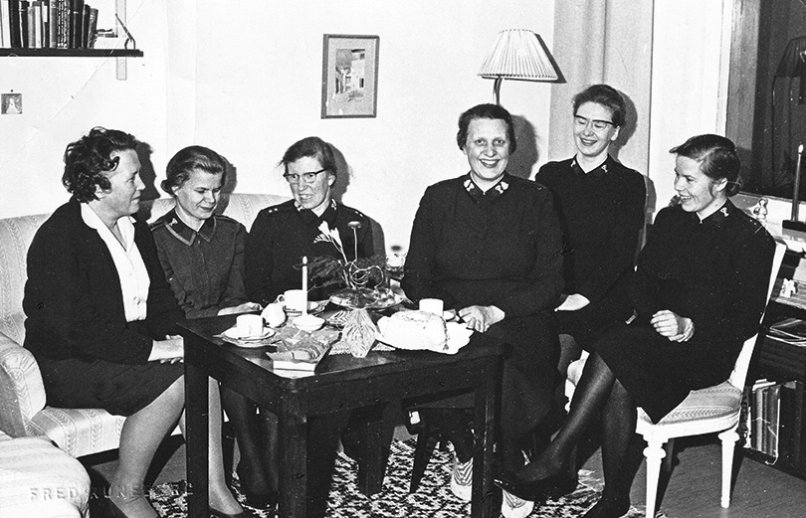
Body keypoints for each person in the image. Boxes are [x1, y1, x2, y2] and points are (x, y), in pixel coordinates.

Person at [495, 134, 776, 518]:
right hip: (653, 338)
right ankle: (611, 497)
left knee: (615, 347)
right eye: (677, 175)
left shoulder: (750, 238)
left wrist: (690, 325)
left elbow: (744, 318)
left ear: (721, 183)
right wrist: (658, 314)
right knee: (620, 366)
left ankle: (557, 457)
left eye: (689, 179)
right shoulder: (672, 219)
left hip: (704, 349)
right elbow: (641, 283)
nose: (677, 186)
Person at [23, 128, 255, 518]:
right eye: (132, 178)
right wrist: (155, 350)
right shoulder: (61, 237)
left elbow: (161, 304)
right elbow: (76, 330)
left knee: (201, 365)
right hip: (68, 362)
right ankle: (126, 492)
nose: (144, 185)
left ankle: (214, 488)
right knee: (180, 378)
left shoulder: (135, 227)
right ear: (98, 186)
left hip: (123, 347)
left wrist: (183, 338)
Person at [402, 103, 564, 518]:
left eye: (499, 142)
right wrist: (447, 312)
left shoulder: (536, 199)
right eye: (479, 142)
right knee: (413, 357)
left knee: (503, 358)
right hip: (451, 316)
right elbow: (415, 276)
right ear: (464, 146)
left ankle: (509, 462)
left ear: (512, 147)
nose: (489, 152)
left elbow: (551, 283)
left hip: (517, 317)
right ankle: (466, 449)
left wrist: (495, 311)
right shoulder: (439, 198)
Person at [150, 146, 274, 508]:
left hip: (229, 333)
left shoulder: (233, 233)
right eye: (201, 190)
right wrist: (224, 312)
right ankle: (251, 466)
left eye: (217, 190)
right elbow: (171, 313)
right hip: (180, 338)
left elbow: (239, 297)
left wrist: (230, 313)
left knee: (260, 364)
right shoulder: (154, 239)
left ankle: (258, 461)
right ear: (175, 188)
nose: (212, 200)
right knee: (227, 363)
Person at [536, 84, 646, 368]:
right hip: (555, 291)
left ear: (615, 132)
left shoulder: (629, 183)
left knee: (556, 350)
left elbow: (621, 255)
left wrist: (580, 297)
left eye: (599, 125)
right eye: (581, 121)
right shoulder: (550, 175)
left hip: (603, 295)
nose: (587, 132)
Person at [245, 136, 374, 304]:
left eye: (310, 176)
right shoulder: (269, 221)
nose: (301, 186)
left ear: (330, 178)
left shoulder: (356, 223)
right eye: (293, 177)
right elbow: (254, 288)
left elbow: (367, 288)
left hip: (339, 316)